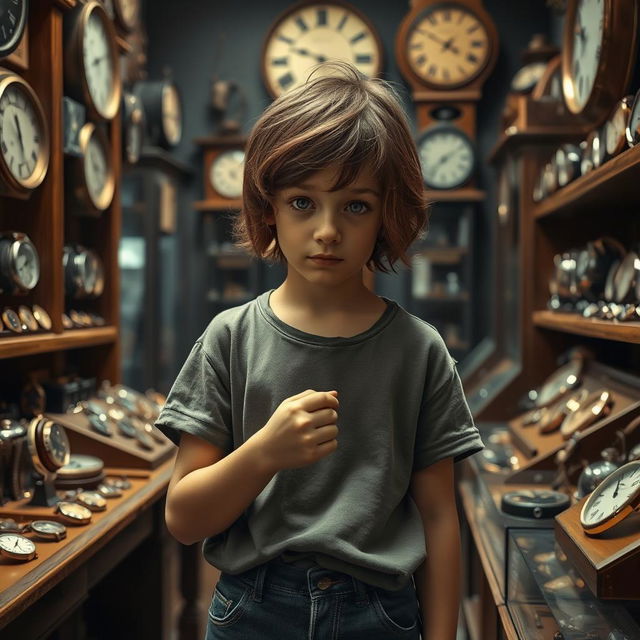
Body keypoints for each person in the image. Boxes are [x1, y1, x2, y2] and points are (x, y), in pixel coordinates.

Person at [155, 61, 483, 640]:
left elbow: (439, 517)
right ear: (269, 208)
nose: (328, 230)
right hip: (252, 610)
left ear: (387, 215)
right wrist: (265, 453)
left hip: (379, 611)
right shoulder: (230, 339)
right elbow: (183, 518)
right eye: (303, 202)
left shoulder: (419, 351)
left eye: (355, 205)